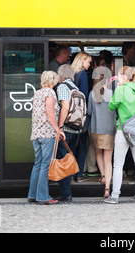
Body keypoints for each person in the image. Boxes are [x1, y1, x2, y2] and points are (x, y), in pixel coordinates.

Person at [105, 66, 135, 204]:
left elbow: (111, 106)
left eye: (118, 76)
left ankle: (115, 196)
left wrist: (118, 88)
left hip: (122, 131)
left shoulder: (121, 90)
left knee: (118, 164)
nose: (117, 78)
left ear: (124, 77)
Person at [28, 70, 64, 205]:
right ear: (52, 80)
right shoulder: (50, 93)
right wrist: (58, 130)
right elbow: (50, 113)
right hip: (47, 134)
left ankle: (33, 194)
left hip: (36, 134)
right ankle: (43, 196)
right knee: (45, 165)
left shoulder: (37, 93)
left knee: (38, 164)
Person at [87, 58, 116, 199]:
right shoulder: (112, 94)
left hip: (95, 129)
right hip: (109, 130)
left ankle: (103, 176)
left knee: (98, 153)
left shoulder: (92, 94)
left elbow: (89, 112)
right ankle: (107, 188)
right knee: (108, 159)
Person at [56, 64, 78, 201]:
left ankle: (66, 194)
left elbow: (65, 107)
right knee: (68, 160)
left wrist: (59, 127)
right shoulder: (75, 88)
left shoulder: (63, 87)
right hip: (75, 129)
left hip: (66, 130)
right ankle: (66, 191)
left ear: (61, 76)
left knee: (63, 162)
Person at [70, 51, 92, 181]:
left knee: (72, 144)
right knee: (82, 143)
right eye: (88, 61)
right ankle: (78, 174)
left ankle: (70, 173)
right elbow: (84, 95)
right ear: (82, 60)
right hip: (81, 115)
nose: (89, 64)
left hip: (71, 114)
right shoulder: (83, 74)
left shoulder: (72, 73)